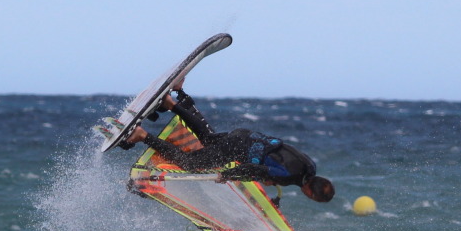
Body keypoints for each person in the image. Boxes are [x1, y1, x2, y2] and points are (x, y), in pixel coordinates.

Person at [121, 88, 336, 203]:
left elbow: (276, 161)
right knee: (189, 164)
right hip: (238, 149)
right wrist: (228, 175)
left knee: (208, 139)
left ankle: (171, 102)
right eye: (313, 198)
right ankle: (142, 135)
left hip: (249, 137)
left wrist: (268, 176)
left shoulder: (310, 166)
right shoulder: (290, 177)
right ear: (310, 192)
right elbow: (253, 169)